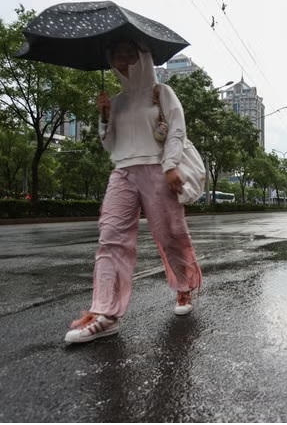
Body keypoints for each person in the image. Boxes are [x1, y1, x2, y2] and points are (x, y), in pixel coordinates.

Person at [64, 40, 203, 344]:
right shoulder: (116, 100)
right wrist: (103, 116)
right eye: (117, 55)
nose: (123, 60)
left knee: (170, 235)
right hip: (123, 171)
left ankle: (183, 288)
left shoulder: (162, 93)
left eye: (129, 54)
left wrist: (169, 166)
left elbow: (177, 130)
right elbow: (110, 144)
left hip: (159, 170)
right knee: (110, 238)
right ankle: (105, 314)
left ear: (144, 58)